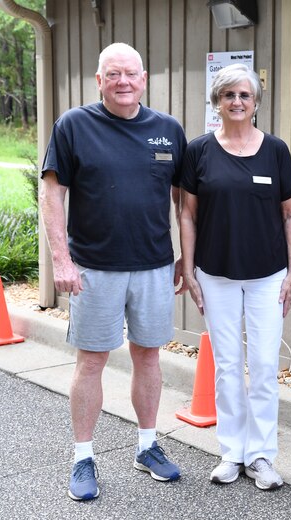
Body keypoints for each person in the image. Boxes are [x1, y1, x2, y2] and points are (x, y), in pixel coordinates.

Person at [39, 42, 186, 501]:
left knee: (148, 356)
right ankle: (83, 456)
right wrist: (61, 260)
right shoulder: (74, 126)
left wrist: (188, 257)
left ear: (144, 79)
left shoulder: (167, 130)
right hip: (95, 268)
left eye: (132, 74)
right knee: (92, 361)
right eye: (113, 74)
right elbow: (51, 194)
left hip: (154, 267)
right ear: (99, 80)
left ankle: (147, 446)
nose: (124, 82)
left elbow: (185, 201)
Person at [179, 63, 291, 490]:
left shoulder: (276, 150)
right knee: (229, 367)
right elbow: (188, 214)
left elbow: (290, 213)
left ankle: (262, 455)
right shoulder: (198, 151)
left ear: (255, 103)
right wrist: (190, 269)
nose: (237, 102)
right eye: (228, 95)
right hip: (216, 273)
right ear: (217, 102)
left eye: (244, 95)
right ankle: (232, 453)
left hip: (269, 274)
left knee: (264, 366)